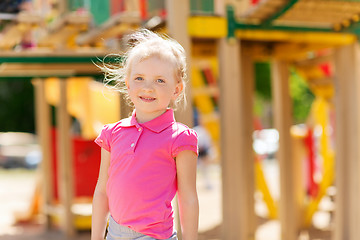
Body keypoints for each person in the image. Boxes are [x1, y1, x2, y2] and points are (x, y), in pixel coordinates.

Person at [91, 29, 199, 240]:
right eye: (139, 78)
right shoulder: (112, 133)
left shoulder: (180, 138)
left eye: (160, 81)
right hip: (114, 233)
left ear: (176, 90)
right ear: (128, 84)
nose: (148, 88)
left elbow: (188, 198)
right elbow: (102, 191)